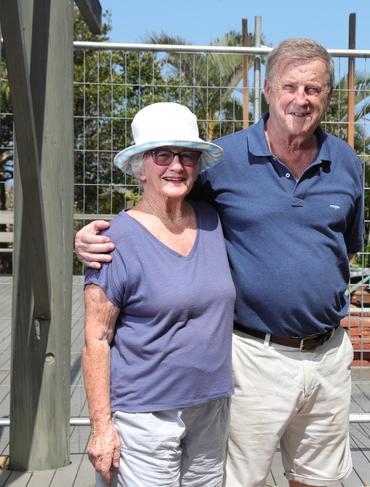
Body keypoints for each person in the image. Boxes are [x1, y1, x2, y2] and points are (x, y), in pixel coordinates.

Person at [77, 38, 365, 487]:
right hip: (253, 356)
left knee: (319, 479)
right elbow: (158, 209)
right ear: (268, 89)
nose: (301, 99)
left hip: (325, 357)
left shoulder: (345, 162)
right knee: (241, 480)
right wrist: (89, 241)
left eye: (314, 89)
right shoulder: (225, 162)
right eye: (290, 86)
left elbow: (344, 249)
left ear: (328, 95)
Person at [82, 102, 235, 487]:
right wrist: (101, 427)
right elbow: (96, 339)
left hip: (211, 408)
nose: (176, 165)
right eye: (162, 154)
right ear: (140, 167)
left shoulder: (214, 221)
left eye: (187, 155)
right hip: (144, 418)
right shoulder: (115, 241)